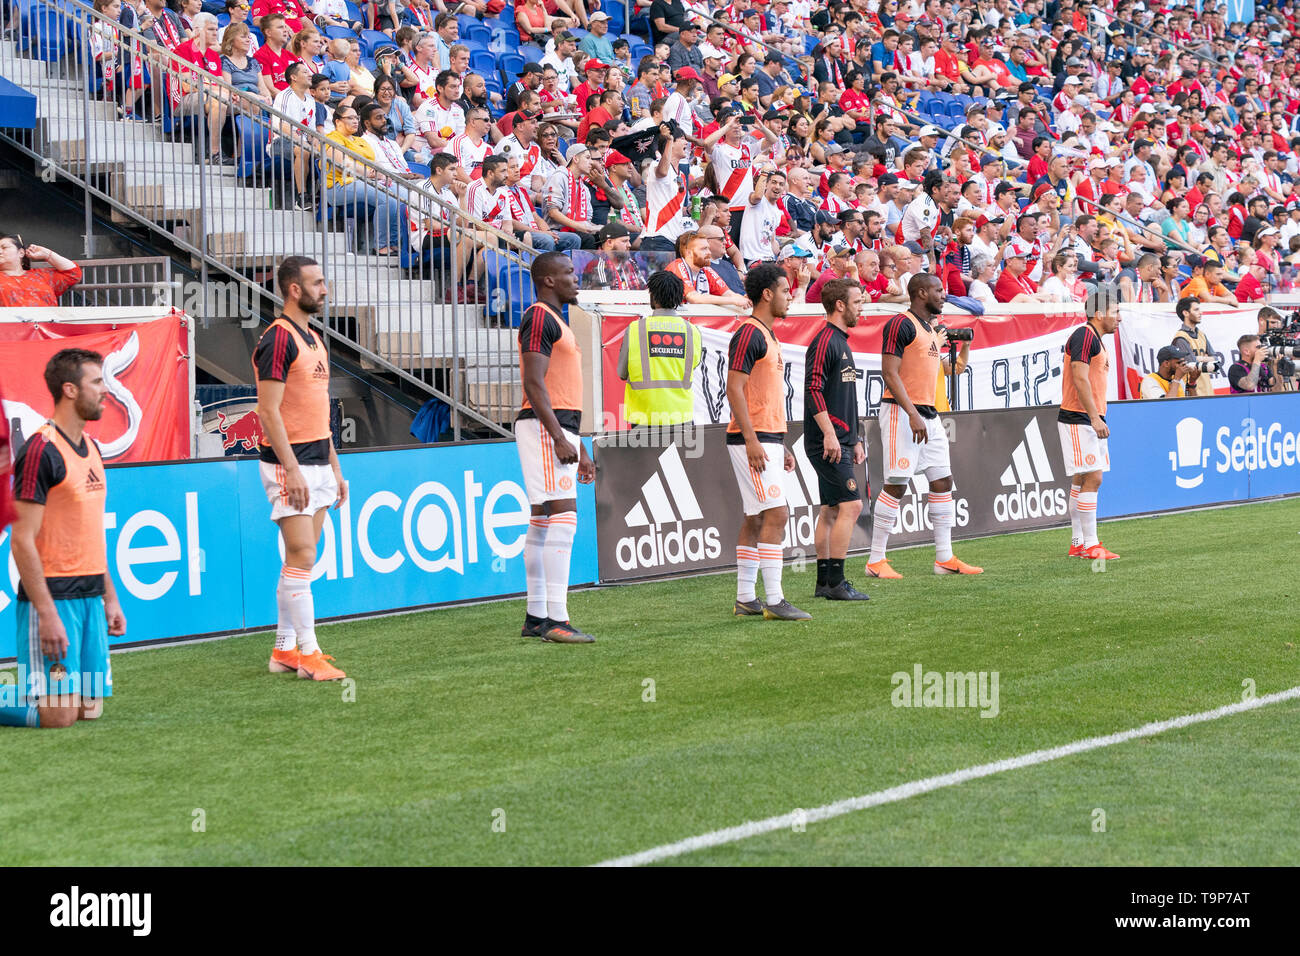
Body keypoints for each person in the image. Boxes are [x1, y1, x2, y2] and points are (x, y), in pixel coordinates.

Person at [3, 350, 126, 729]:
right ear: (70, 389)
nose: (106, 391)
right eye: (97, 382)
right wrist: (47, 613)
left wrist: (110, 598)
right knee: (59, 716)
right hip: (55, 598)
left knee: (90, 710)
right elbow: (22, 539)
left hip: (90, 596)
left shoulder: (93, 448)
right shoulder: (41, 451)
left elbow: (90, 532)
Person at [253, 257, 347, 680]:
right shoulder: (277, 339)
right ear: (294, 289)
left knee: (302, 560)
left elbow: (319, 413)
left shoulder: (313, 337)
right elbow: (267, 412)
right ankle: (308, 652)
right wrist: (290, 470)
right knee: (303, 554)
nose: (324, 290)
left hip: (318, 461)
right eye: (317, 283)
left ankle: (284, 651)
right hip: (287, 463)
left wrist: (336, 468)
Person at [867, 274, 982, 580]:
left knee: (943, 480)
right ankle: (875, 559)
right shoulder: (900, 324)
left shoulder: (930, 330)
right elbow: (889, 373)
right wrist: (912, 414)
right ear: (920, 293)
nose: (944, 294)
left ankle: (944, 557)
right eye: (938, 290)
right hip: (901, 413)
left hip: (929, 415)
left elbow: (943, 370)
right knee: (897, 482)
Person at [516, 252, 596, 644]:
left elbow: (562, 388)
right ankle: (555, 619)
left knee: (543, 520)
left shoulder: (556, 320)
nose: (575, 278)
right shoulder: (539, 317)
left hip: (559, 426)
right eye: (568, 273)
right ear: (548, 280)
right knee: (563, 517)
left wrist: (579, 445)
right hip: (546, 426)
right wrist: (559, 437)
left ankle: (535, 617)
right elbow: (534, 383)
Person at [726, 263, 810, 622]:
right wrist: (752, 440)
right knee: (777, 513)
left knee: (757, 516)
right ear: (767, 294)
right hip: (753, 438)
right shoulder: (749, 333)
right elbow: (734, 388)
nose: (789, 295)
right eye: (785, 289)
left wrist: (781, 443)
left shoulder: (767, 334)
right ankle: (774, 600)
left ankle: (746, 598)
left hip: (767, 437)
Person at [805, 278, 870, 602]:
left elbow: (845, 398)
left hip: (841, 439)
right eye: (858, 301)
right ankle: (838, 582)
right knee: (851, 504)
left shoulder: (840, 341)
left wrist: (854, 439)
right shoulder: (824, 341)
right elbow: (812, 390)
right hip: (826, 442)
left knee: (831, 510)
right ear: (840, 305)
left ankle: (824, 582)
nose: (863, 307)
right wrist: (830, 434)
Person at [1058, 285, 1121, 562]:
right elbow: (1079, 377)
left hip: (1086, 416)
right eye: (1115, 311)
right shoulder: (1084, 335)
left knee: (1082, 478)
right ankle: (1091, 545)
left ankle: (1078, 542)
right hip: (1079, 417)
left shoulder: (1094, 337)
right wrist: (1094, 416)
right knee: (1094, 477)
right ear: (1098, 313)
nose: (1118, 317)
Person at [617, 270, 701, 426]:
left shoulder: (635, 328)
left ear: (653, 297)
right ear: (679, 298)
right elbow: (693, 366)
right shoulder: (692, 331)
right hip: (681, 415)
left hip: (643, 415)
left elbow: (622, 373)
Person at [0, 235, 82, 307]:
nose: (0, 251)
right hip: (10, 324)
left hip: (47, 323)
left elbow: (73, 273)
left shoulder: (41, 276)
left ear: (21, 253)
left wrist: (47, 254)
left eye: (4, 248)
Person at [1171, 296, 1217, 398]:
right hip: (1191, 391)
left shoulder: (1201, 334)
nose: (1201, 313)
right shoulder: (1180, 337)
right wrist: (1206, 359)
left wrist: (1199, 358)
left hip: (1206, 389)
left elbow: (1216, 361)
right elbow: (1191, 364)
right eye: (1196, 310)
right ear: (1185, 313)